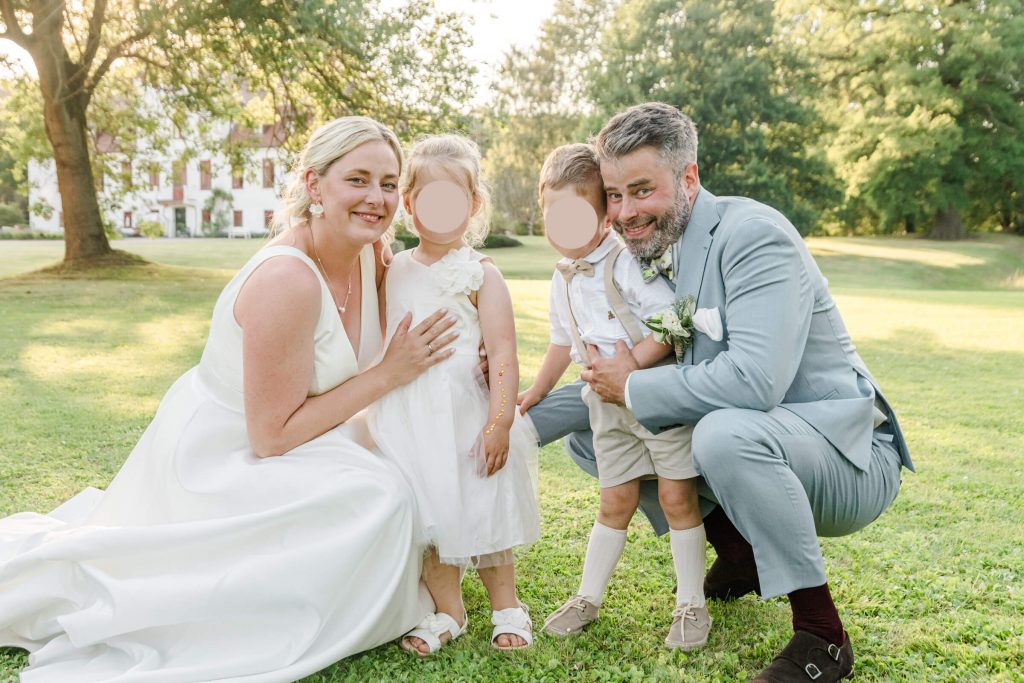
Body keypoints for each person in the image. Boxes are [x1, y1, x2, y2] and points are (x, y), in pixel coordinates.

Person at [0, 116, 459, 682]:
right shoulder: (287, 279)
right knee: (380, 496)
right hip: (226, 451)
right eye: (358, 180)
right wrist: (387, 374)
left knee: (413, 463)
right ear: (314, 185)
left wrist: (479, 356)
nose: (376, 198)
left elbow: (432, 315)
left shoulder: (373, 254)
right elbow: (271, 436)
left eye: (388, 184)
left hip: (313, 433)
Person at [527, 103, 913, 683]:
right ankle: (740, 557)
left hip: (844, 453)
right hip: (759, 439)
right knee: (595, 437)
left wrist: (632, 385)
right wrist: (515, 417)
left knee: (722, 434)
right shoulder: (646, 253)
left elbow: (755, 381)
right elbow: (605, 375)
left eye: (642, 190)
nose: (626, 213)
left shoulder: (753, 234)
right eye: (615, 195)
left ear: (688, 178)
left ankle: (823, 635)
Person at [517, 143, 710, 649]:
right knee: (613, 499)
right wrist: (537, 390)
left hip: (654, 397)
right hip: (605, 405)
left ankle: (692, 603)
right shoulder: (562, 276)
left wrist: (633, 366)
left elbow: (673, 321)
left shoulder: (625, 263)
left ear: (605, 214)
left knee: (676, 497)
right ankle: (588, 597)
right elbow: (561, 342)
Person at [368, 134, 540, 656]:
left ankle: (507, 605)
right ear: (408, 203)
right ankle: (449, 610)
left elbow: (503, 352)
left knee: (483, 508)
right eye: (428, 199)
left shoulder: (480, 273)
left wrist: (499, 421)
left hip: (467, 413)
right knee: (429, 515)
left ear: (474, 204)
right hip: (409, 415)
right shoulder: (392, 267)